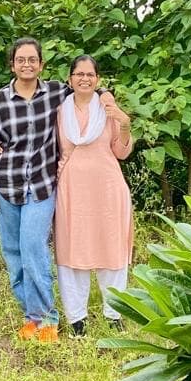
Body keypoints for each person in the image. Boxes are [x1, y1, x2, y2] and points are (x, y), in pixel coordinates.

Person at [0, 37, 69, 343]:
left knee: (33, 248)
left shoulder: (56, 92)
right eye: (21, 59)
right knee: (14, 255)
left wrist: (107, 96)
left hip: (42, 186)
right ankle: (29, 317)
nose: (27, 64)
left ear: (41, 64)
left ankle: (47, 319)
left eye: (33, 59)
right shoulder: (1, 100)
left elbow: (87, 88)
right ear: (13, 64)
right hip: (7, 185)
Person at [54, 55, 133, 336]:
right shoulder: (59, 111)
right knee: (72, 250)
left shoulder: (107, 108)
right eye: (79, 74)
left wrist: (123, 123)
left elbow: (121, 152)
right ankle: (77, 320)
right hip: (72, 190)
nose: (84, 79)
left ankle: (115, 314)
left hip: (108, 190)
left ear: (97, 80)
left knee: (111, 249)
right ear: (70, 79)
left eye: (90, 74)